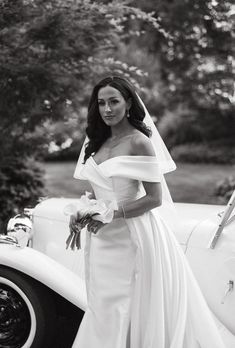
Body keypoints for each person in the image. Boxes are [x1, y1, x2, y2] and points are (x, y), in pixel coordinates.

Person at [71, 76, 227, 348]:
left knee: (127, 305)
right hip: (102, 241)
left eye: (114, 102)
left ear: (128, 102)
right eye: (101, 103)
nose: (107, 109)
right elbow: (99, 195)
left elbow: (154, 199)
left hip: (133, 237)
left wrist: (113, 214)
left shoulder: (139, 141)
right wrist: (84, 214)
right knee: (104, 305)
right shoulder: (96, 143)